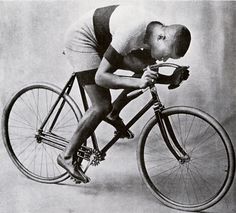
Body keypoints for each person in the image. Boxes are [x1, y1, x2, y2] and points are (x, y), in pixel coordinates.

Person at [57, 4, 191, 183]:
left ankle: (114, 113)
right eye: (167, 55)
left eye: (169, 59)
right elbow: (101, 78)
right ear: (161, 37)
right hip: (82, 40)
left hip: (105, 39)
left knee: (144, 68)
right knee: (101, 105)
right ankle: (66, 156)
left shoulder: (155, 31)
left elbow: (148, 69)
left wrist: (170, 79)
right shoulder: (131, 32)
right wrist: (139, 82)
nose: (164, 60)